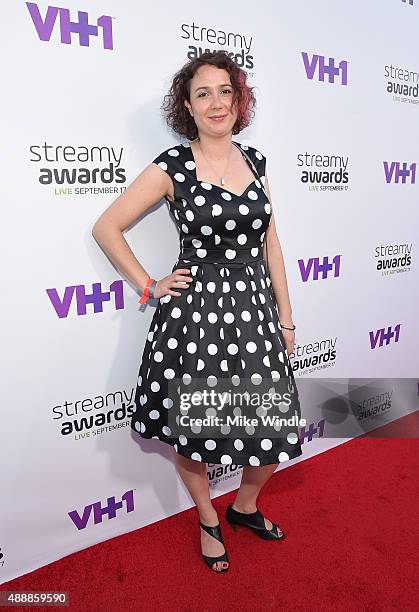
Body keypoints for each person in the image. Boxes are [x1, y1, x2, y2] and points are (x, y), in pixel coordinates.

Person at [92, 50, 302, 574]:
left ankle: (245, 507)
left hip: (254, 311)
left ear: (238, 100)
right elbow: (106, 227)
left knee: (272, 425)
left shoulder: (256, 161)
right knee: (198, 428)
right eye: (202, 93)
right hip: (196, 316)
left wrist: (287, 317)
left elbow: (271, 245)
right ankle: (209, 517)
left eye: (225, 91)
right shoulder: (173, 165)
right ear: (187, 105)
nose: (216, 103)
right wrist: (149, 285)